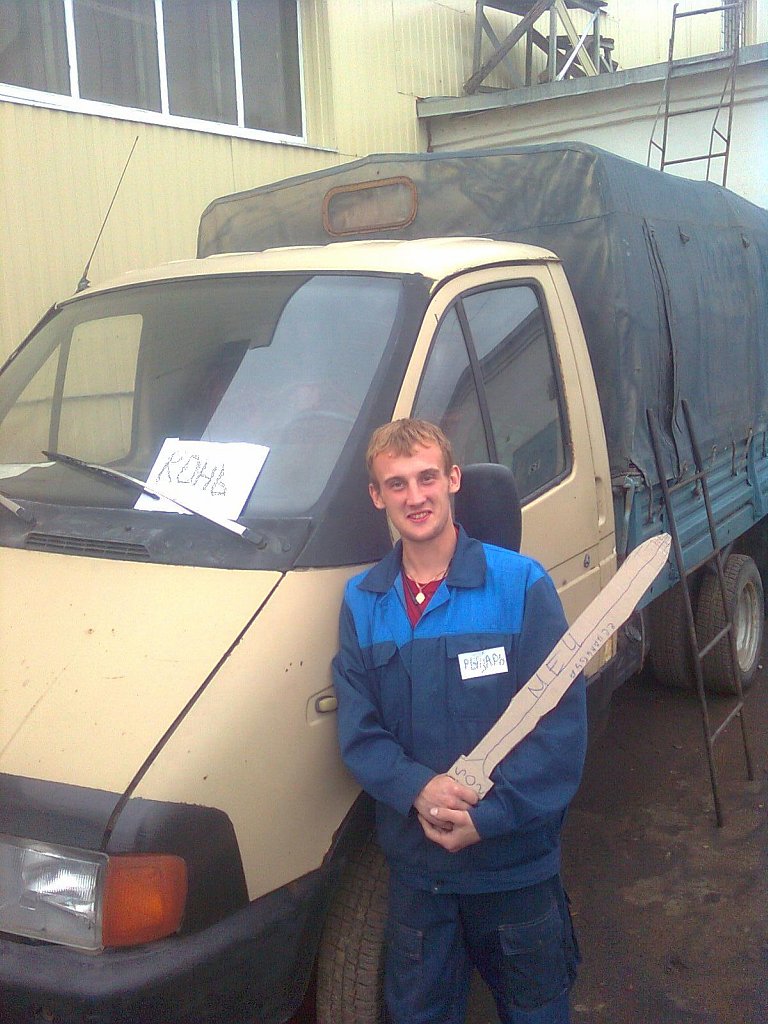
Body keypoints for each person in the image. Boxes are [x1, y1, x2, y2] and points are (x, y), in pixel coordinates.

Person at [332, 418, 587, 1024]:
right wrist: (418, 788)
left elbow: (560, 730)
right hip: (420, 877)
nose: (415, 497)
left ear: (452, 480)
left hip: (514, 868)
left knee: (535, 1011)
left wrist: (489, 818)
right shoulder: (363, 602)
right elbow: (360, 732)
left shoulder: (519, 584)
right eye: (397, 484)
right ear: (377, 496)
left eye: (426, 478)